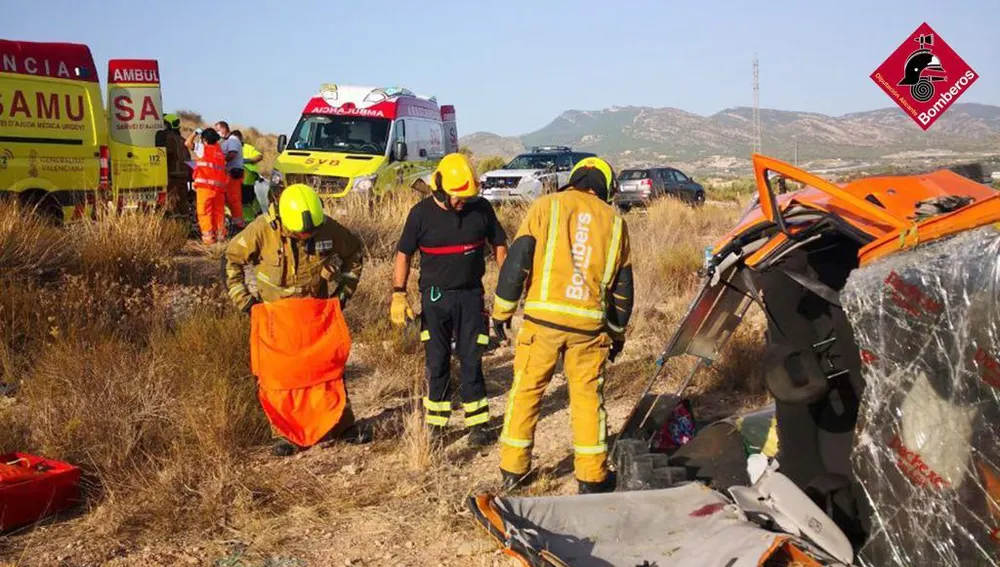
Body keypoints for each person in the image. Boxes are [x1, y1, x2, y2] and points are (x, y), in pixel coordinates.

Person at [490, 156, 634, 494]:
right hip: (589, 328)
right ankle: (592, 477)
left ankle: (514, 471)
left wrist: (501, 312)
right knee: (586, 400)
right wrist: (616, 334)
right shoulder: (615, 222)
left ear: (574, 178)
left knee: (526, 392)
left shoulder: (547, 207)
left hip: (543, 321)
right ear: (605, 188)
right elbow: (623, 289)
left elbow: (518, 261)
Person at [224, 183, 369, 456]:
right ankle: (285, 434)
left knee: (327, 371)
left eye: (311, 232)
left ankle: (341, 425)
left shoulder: (326, 227)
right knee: (278, 379)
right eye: (301, 233)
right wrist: (245, 301)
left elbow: (354, 255)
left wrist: (341, 296)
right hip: (276, 322)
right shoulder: (261, 231)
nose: (307, 236)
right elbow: (232, 260)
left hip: (316, 318)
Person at [392, 153, 509, 447]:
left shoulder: (481, 209)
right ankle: (436, 426)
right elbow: (404, 253)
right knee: (437, 361)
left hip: (470, 296)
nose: (463, 203)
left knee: (472, 359)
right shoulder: (420, 215)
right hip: (435, 299)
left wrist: (508, 288)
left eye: (467, 197)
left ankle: (479, 425)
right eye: (458, 197)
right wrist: (398, 293)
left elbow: (500, 246)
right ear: (441, 189)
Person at [184, 127, 227, 244]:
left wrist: (195, 132)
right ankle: (220, 236)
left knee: (205, 212)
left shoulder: (203, 149)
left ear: (204, 139)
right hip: (218, 189)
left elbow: (187, 143)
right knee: (218, 212)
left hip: (205, 188)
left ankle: (208, 239)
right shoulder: (219, 152)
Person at [214, 120, 245, 230]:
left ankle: (238, 224)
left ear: (223, 129)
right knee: (231, 199)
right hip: (231, 173)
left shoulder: (232, 141)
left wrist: (220, 160)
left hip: (233, 173)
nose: (218, 133)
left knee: (233, 199)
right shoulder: (229, 141)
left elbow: (232, 154)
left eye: (218, 130)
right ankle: (237, 222)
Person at [161, 113, 192, 219]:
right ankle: (185, 226)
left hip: (173, 175)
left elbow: (167, 156)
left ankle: (175, 226)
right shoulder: (182, 139)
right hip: (183, 175)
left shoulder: (169, 139)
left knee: (172, 202)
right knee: (183, 203)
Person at [232, 130, 264, 222]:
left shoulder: (247, 148)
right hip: (236, 179)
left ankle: (253, 218)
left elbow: (259, 156)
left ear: (241, 139)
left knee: (248, 200)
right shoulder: (230, 149)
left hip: (248, 179)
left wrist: (247, 160)